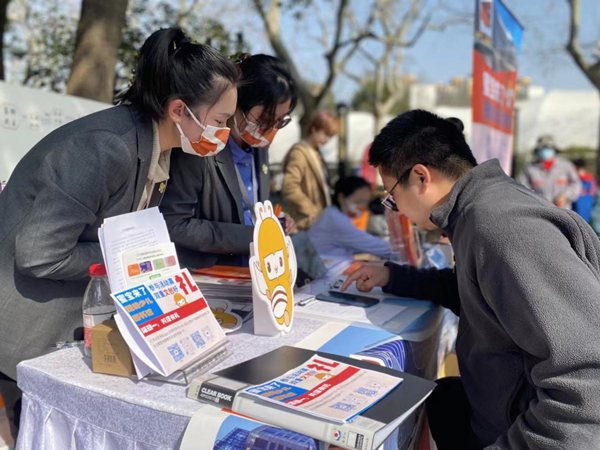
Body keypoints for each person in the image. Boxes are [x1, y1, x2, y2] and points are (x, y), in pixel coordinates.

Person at [0, 28, 240, 440]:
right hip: (28, 325)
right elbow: (40, 253)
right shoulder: (105, 147)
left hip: (69, 317)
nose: (225, 133)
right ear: (180, 110)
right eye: (220, 121)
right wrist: (128, 260)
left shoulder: (158, 148)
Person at [342, 110, 600, 449]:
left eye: (391, 196)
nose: (394, 208)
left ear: (420, 177)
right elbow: (475, 292)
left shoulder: (502, 228)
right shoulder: (478, 210)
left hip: (522, 430)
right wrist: (393, 276)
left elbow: (586, 382)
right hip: (495, 409)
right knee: (442, 398)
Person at [161, 54, 297, 269]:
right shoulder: (201, 145)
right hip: (208, 272)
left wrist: (273, 222)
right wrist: (252, 236)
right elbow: (175, 223)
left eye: (280, 122)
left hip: (254, 269)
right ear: (236, 104)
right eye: (264, 121)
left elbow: (253, 205)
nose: (269, 130)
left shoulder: (259, 148)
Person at [308, 176, 393, 260]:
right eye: (358, 202)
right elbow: (372, 245)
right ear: (341, 198)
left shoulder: (332, 213)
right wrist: (401, 251)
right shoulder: (335, 220)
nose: (363, 207)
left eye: (366, 202)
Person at [282, 112, 339, 230]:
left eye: (330, 136)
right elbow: (289, 187)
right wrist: (311, 210)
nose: (327, 139)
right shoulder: (299, 153)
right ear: (314, 129)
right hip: (304, 224)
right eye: (325, 134)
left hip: (317, 223)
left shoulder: (316, 152)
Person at [519, 135, 581, 209]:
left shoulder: (566, 166)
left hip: (563, 211)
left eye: (548, 148)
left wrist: (565, 196)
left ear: (554, 149)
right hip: (539, 211)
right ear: (538, 150)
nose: (546, 151)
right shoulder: (530, 168)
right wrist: (536, 199)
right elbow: (523, 188)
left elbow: (576, 184)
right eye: (543, 148)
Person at [571, 158, 597, 223]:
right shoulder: (575, 178)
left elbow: (593, 193)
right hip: (577, 209)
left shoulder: (588, 179)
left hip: (584, 208)